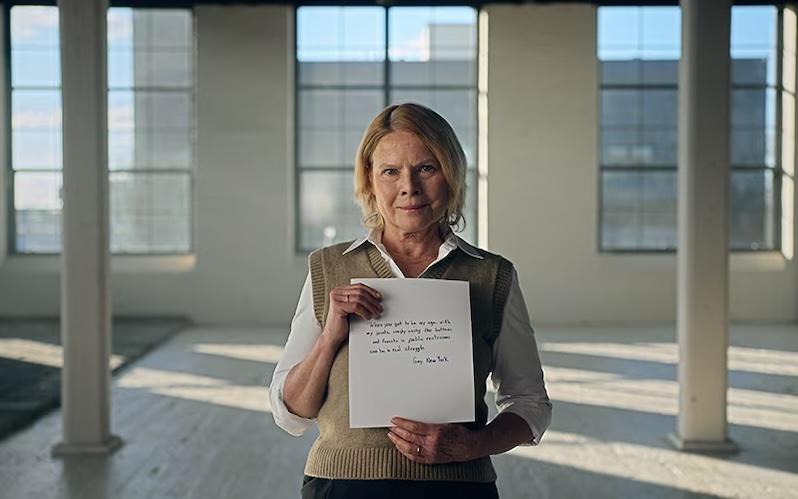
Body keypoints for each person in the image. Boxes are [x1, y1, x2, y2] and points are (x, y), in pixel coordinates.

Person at [269, 102, 551, 498]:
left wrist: (472, 446)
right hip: (342, 488)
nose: (409, 188)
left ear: (450, 175)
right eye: (390, 172)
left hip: (457, 489)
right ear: (369, 181)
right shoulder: (328, 269)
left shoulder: (493, 276)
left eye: (426, 168)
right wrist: (329, 338)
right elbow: (290, 413)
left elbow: (530, 404)